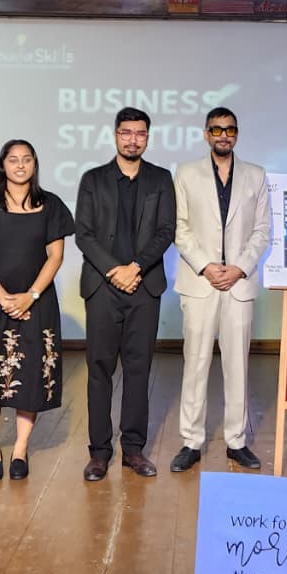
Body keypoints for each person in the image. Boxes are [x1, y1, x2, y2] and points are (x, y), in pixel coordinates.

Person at [0, 140, 73, 481]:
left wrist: (30, 296)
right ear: (2, 165)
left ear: (34, 164)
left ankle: (20, 449)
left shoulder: (52, 205)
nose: (20, 165)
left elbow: (55, 257)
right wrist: (5, 298)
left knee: (32, 376)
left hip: (37, 303)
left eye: (26, 159)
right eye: (13, 160)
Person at [75, 107, 176, 482]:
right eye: (126, 133)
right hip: (103, 286)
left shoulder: (161, 179)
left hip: (144, 285)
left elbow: (166, 231)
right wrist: (114, 270)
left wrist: (135, 267)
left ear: (147, 138)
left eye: (140, 134)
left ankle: (133, 449)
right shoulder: (93, 179)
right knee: (99, 369)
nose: (133, 139)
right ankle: (99, 452)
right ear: (116, 135)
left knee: (138, 368)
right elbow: (83, 234)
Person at [171, 107, 270, 473]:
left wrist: (239, 267)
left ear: (237, 134)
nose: (223, 135)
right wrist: (207, 266)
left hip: (238, 283)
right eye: (216, 129)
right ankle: (191, 441)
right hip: (200, 281)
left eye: (229, 129)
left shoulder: (256, 175)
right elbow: (179, 227)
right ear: (206, 134)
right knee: (195, 364)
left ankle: (236, 441)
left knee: (237, 365)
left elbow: (262, 230)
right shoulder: (186, 173)